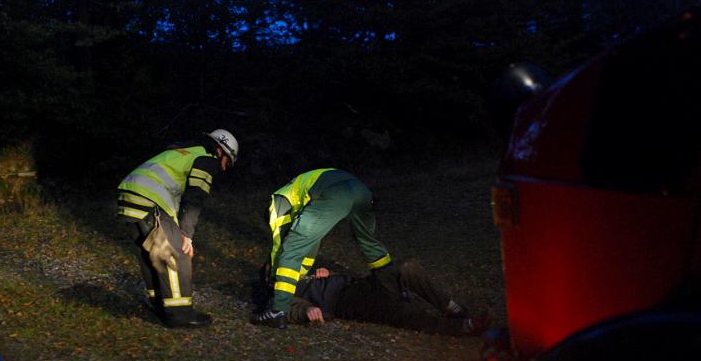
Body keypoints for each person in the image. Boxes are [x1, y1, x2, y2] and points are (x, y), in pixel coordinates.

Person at [117, 129, 238, 327]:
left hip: (129, 197)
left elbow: (172, 197)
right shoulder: (206, 159)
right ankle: (179, 315)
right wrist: (186, 235)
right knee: (176, 255)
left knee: (153, 254)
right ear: (220, 151)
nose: (224, 169)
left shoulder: (184, 152)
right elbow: (195, 198)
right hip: (148, 200)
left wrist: (176, 228)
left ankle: (160, 306)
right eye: (227, 162)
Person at [250, 168, 397, 328]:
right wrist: (301, 273)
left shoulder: (276, 206)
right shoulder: (296, 200)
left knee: (290, 250)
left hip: (336, 193)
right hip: (360, 190)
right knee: (368, 242)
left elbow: (280, 248)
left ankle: (277, 312)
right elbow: (310, 247)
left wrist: (274, 276)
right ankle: (392, 283)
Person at [256, 260, 490, 336]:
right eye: (273, 272)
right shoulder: (282, 293)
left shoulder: (303, 275)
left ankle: (452, 308)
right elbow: (281, 308)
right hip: (347, 302)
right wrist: (306, 312)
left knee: (405, 268)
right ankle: (464, 327)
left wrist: (325, 273)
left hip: (359, 284)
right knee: (402, 314)